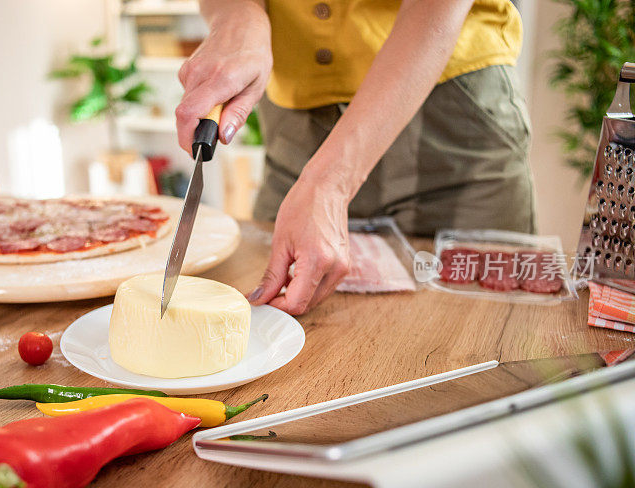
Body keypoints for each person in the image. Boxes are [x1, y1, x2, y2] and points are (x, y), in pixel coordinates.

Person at [175, 0, 533, 315]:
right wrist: (238, 14)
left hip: (450, 118)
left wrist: (331, 181)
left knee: (473, 337)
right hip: (294, 128)